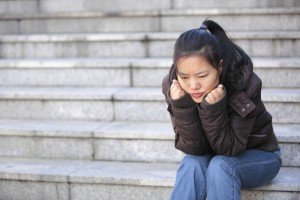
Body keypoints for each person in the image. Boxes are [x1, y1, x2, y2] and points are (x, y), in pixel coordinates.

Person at [161, 19, 282, 200]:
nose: (193, 85)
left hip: (261, 155)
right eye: (184, 76)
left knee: (221, 165)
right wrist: (183, 107)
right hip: (213, 156)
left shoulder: (245, 84)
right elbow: (194, 149)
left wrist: (212, 109)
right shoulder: (175, 87)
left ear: (220, 67)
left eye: (202, 75)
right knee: (191, 163)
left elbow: (229, 149)